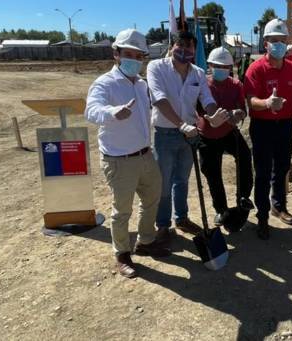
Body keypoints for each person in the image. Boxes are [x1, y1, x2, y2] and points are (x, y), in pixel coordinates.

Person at [84, 29, 169, 278]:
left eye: (138, 55)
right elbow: (91, 111)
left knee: (152, 198)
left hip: (145, 155)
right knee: (122, 210)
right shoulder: (105, 83)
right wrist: (112, 112)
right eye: (128, 54)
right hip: (119, 159)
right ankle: (121, 254)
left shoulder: (142, 85)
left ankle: (145, 241)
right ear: (117, 54)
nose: (134, 59)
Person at [147, 31, 230, 243]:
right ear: (172, 46)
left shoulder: (198, 73)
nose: (184, 51)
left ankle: (181, 218)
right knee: (164, 182)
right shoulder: (156, 67)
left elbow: (207, 98)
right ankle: (163, 225)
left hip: (190, 134)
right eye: (180, 45)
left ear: (195, 51)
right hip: (165, 133)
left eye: (189, 47)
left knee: (182, 180)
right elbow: (159, 99)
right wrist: (181, 124)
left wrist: (213, 115)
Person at [244, 18, 292, 239]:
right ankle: (262, 216)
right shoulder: (255, 69)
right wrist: (267, 103)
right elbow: (250, 100)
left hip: (285, 126)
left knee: (282, 168)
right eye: (273, 40)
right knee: (262, 172)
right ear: (265, 42)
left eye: (281, 40)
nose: (278, 44)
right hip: (262, 127)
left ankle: (279, 206)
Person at [196, 47, 253, 225]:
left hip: (228, 132)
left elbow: (242, 110)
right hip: (207, 135)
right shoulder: (203, 84)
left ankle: (243, 196)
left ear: (231, 67)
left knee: (244, 156)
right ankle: (221, 209)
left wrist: (239, 114)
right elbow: (198, 109)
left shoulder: (236, 85)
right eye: (217, 66)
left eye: (226, 67)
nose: (222, 69)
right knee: (212, 173)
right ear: (210, 65)